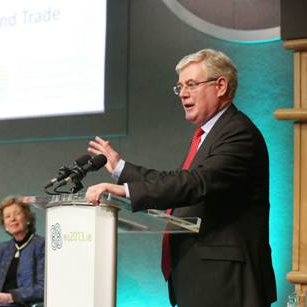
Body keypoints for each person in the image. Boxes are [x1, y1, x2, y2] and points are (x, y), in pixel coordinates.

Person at [85, 49, 277, 307]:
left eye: (191, 84)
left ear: (220, 86)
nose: (183, 93)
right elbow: (178, 180)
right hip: (204, 280)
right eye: (180, 87)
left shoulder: (238, 133)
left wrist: (126, 191)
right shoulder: (211, 133)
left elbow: (195, 183)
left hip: (227, 284)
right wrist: (120, 168)